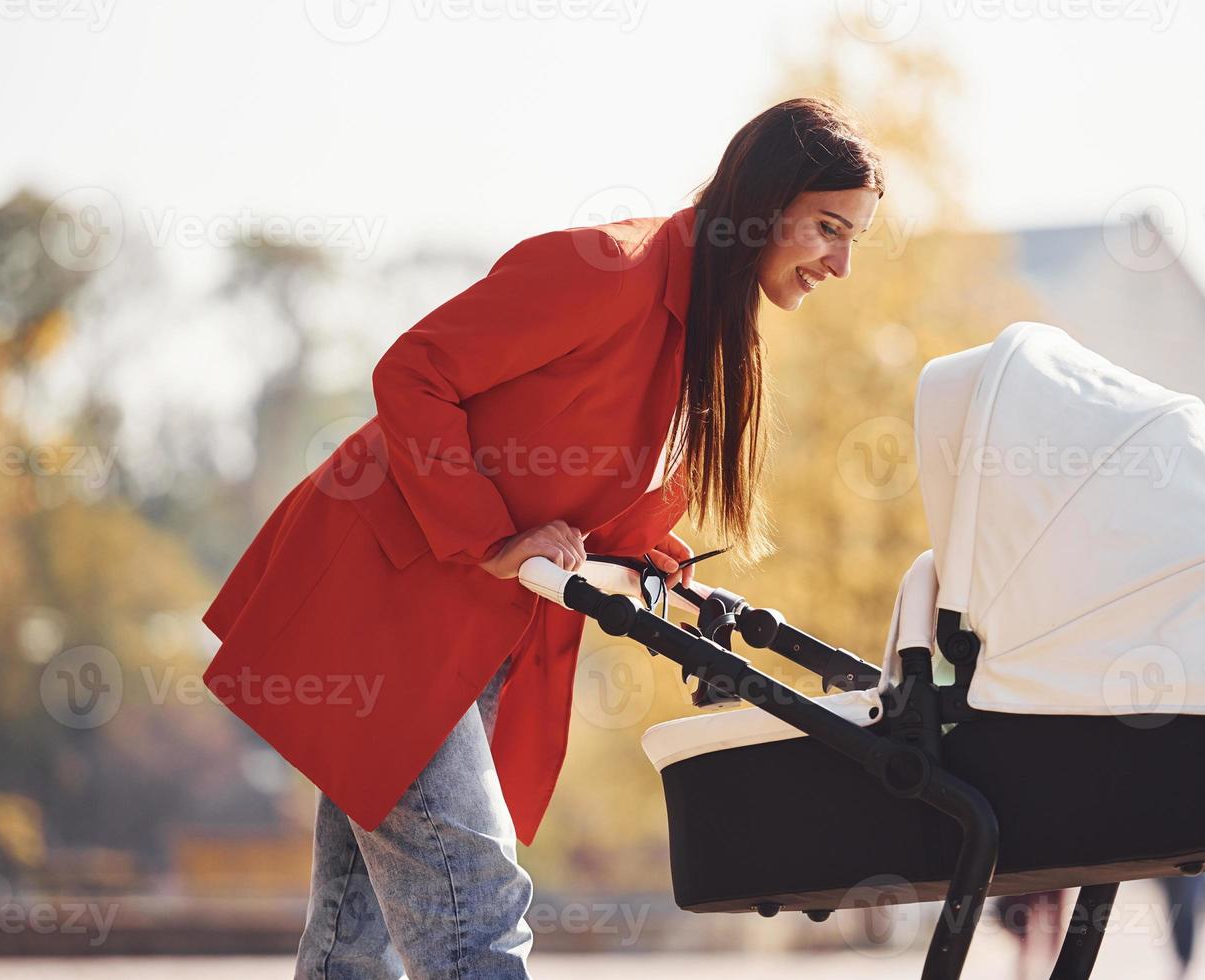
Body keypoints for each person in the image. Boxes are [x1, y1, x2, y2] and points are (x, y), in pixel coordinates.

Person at [199, 97, 884, 979]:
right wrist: (492, 538)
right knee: (475, 910)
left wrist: (675, 583)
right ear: (764, 200)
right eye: (830, 228)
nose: (842, 263)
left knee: (351, 937)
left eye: (855, 237)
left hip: (472, 629)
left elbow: (608, 502)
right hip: (386, 611)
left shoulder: (707, 330)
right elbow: (413, 373)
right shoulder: (606, 271)